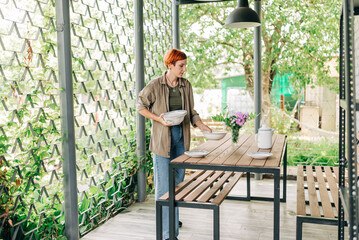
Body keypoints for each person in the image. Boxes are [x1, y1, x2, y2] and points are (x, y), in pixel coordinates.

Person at [137, 49, 212, 240]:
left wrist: (201, 125)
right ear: (169, 65)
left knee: (177, 183)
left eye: (185, 65)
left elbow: (191, 111)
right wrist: (158, 119)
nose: (184, 69)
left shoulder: (186, 85)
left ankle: (172, 218)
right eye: (181, 66)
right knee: (164, 188)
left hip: (180, 138)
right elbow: (140, 106)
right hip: (163, 139)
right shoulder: (155, 85)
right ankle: (167, 234)